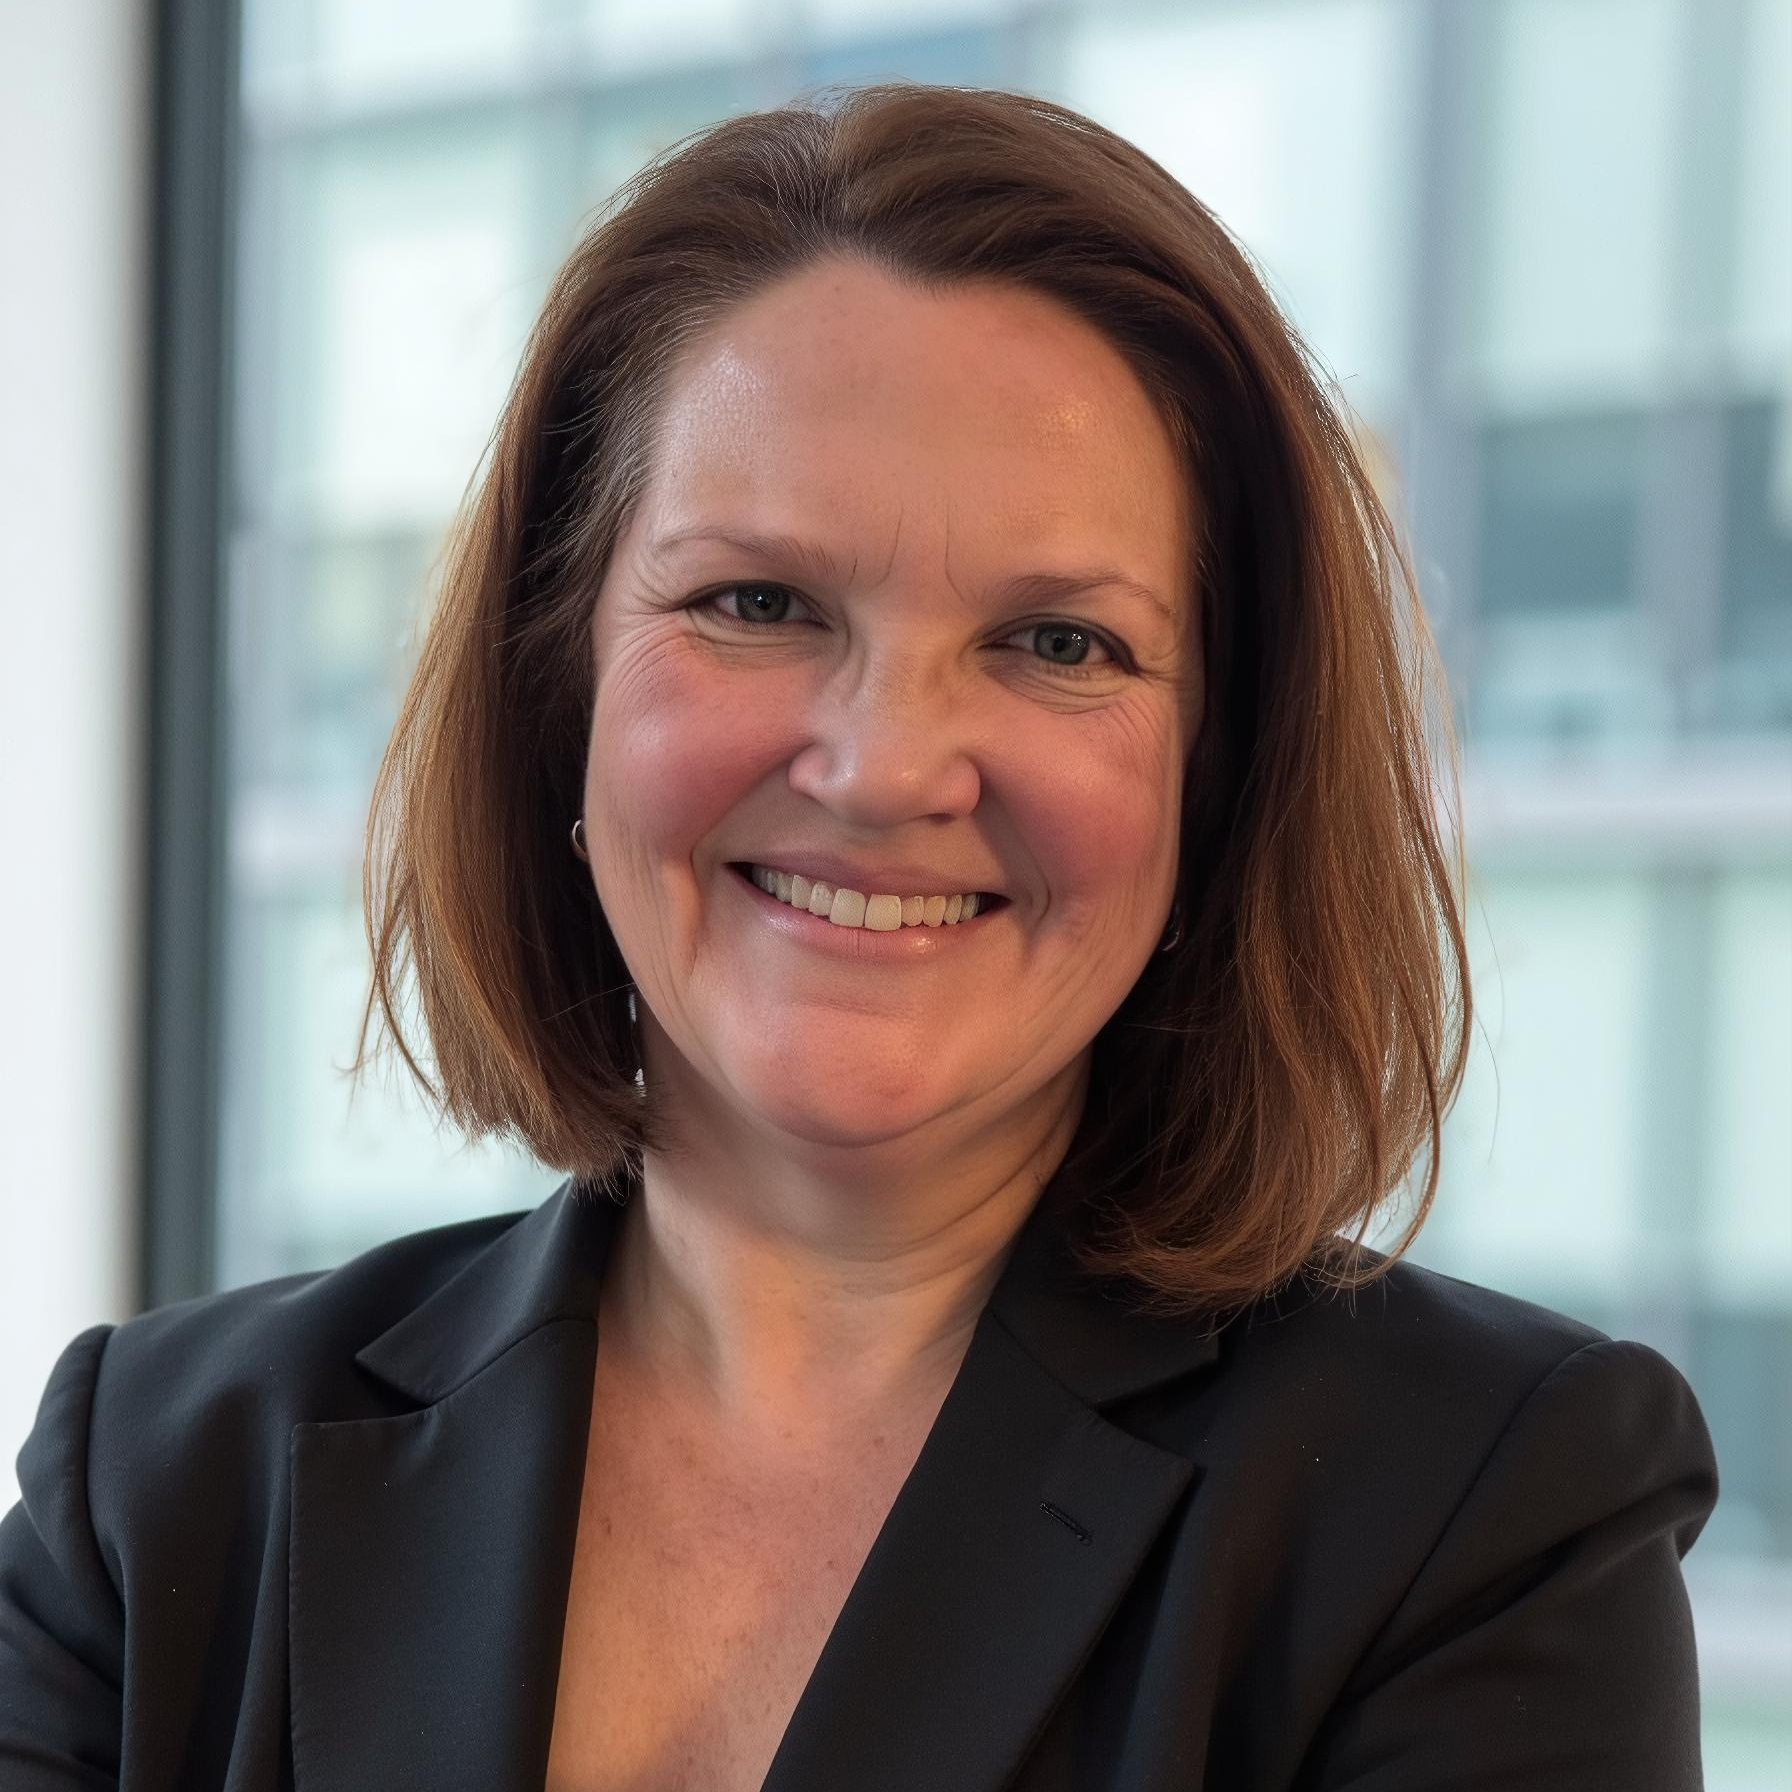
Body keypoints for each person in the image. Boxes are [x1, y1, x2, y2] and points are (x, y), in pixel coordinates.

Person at [0, 82, 1716, 1792]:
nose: (886, 768)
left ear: (1220, 768)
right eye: (757, 604)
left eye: (1058, 643)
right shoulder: (157, 1485)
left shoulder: (1481, 1516)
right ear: (559, 687)